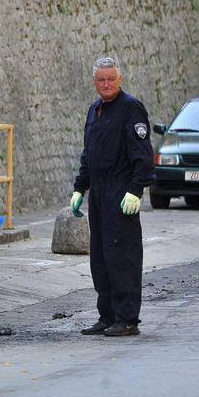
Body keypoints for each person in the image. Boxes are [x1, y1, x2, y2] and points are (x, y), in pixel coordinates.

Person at [71, 57, 154, 337]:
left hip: (121, 194)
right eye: (101, 80)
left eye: (111, 79)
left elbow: (143, 156)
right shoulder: (95, 110)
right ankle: (107, 316)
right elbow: (88, 154)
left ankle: (127, 319)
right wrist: (79, 188)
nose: (106, 84)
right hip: (99, 193)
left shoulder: (131, 108)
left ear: (120, 80)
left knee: (122, 257)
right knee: (101, 258)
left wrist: (135, 190)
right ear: (94, 82)